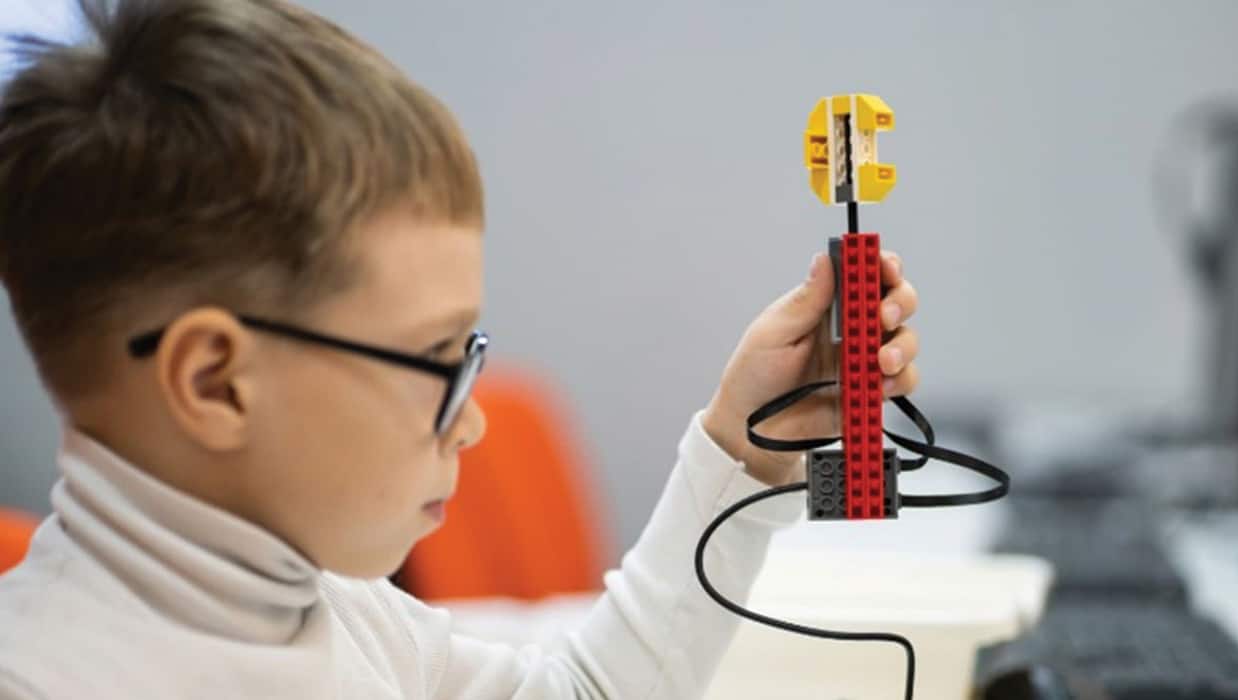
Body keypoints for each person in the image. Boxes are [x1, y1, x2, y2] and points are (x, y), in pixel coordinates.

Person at [0, 1, 922, 697]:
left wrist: (745, 449)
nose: (473, 421)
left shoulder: (331, 607)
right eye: (438, 362)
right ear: (216, 381)